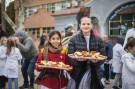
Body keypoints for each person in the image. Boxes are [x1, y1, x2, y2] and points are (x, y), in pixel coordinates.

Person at [68, 16, 105, 89]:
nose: (86, 26)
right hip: (78, 73)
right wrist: (77, 60)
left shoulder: (99, 39)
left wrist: (96, 61)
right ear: (80, 25)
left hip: (95, 73)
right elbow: (70, 57)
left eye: (88, 24)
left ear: (91, 25)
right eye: (83, 24)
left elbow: (103, 56)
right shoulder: (73, 39)